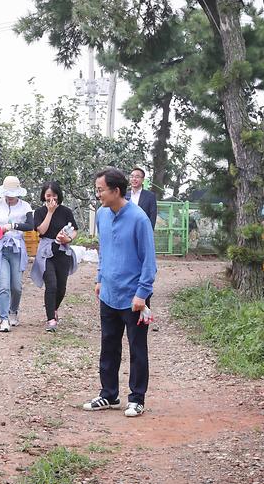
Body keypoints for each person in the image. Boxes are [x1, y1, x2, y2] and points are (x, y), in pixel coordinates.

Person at [84, 167, 157, 418]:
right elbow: (104, 250)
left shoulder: (139, 219)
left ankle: (137, 398)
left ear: (116, 191)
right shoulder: (102, 216)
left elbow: (149, 260)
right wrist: (99, 278)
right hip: (109, 293)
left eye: (101, 190)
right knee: (109, 345)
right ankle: (108, 394)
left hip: (134, 297)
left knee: (137, 348)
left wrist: (142, 293)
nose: (98, 195)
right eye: (97, 190)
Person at [30, 181, 78, 332]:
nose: (51, 198)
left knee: (61, 287)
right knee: (51, 285)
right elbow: (41, 231)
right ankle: (51, 319)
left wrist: (68, 239)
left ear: (59, 196)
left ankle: (54, 309)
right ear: (44, 196)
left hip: (62, 250)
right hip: (46, 251)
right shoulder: (39, 212)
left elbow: (75, 229)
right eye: (48, 195)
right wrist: (50, 212)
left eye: (54, 195)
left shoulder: (66, 211)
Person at [0, 176, 34, 332]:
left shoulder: (25, 206)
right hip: (1, 247)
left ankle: (13, 310)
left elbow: (30, 226)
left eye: (13, 193)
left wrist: (13, 226)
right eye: (8, 193)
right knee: (3, 285)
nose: (10, 196)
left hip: (16, 248)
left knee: (16, 287)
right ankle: (3, 319)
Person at [126, 167, 158, 330]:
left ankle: (143, 299)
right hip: (126, 238)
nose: (134, 179)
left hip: (142, 236)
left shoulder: (150, 196)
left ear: (143, 180)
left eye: (138, 177)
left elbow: (152, 216)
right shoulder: (124, 196)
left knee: (143, 266)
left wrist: (147, 235)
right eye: (132, 176)